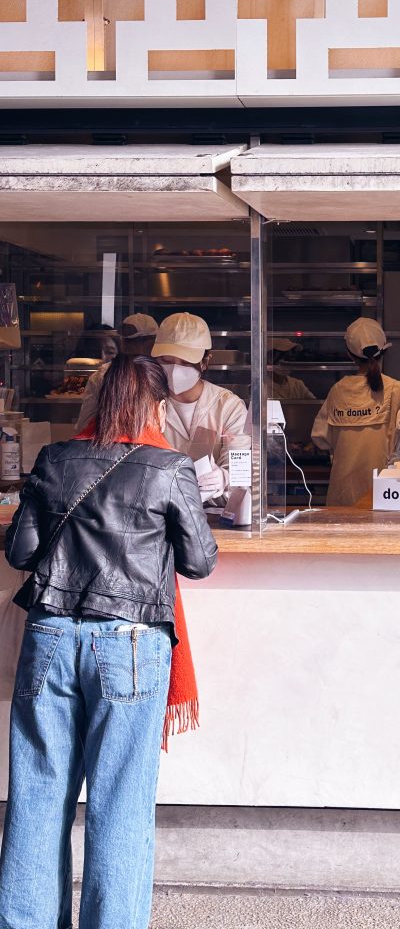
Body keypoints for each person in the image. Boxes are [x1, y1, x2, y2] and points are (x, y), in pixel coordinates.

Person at [0, 354, 217, 929]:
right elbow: (199, 561)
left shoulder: (55, 458)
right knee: (120, 803)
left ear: (96, 403)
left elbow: (20, 553)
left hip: (49, 636)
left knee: (37, 797)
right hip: (128, 645)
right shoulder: (169, 468)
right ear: (156, 407)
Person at [311, 317, 400, 507]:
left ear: (350, 355)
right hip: (385, 499)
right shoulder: (399, 391)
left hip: (342, 501)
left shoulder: (337, 391)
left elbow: (320, 439)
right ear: (384, 351)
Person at [152, 312, 248, 505]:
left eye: (186, 362)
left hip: (215, 517)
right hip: (158, 514)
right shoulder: (145, 403)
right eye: (167, 361)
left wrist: (224, 478)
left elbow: (241, 474)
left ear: (205, 361)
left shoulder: (228, 407)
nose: (175, 370)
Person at [74, 313, 159, 433]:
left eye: (138, 342)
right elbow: (85, 424)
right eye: (131, 342)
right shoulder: (102, 375)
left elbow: (84, 424)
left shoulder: (103, 374)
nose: (133, 347)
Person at [268, 337, 316, 401]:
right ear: (268, 359)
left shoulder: (297, 384)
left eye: (289, 357)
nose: (286, 361)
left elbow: (314, 405)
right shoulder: (260, 387)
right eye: (281, 356)